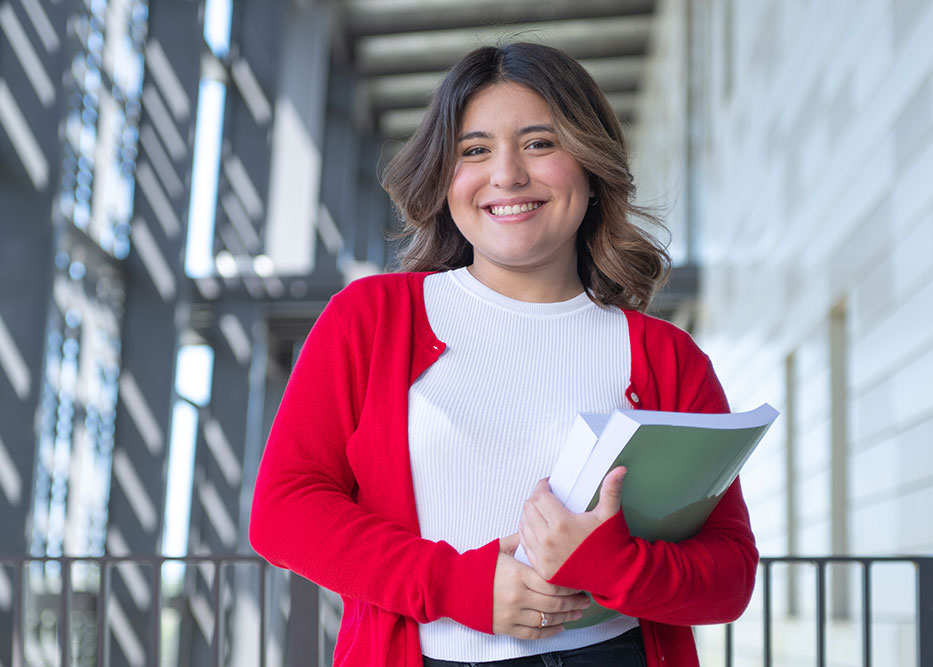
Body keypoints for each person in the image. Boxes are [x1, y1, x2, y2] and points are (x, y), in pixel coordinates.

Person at [249, 42, 758, 667]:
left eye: (541, 143)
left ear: (591, 166)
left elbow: (729, 576)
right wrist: (459, 586)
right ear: (445, 177)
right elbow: (284, 511)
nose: (507, 174)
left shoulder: (666, 357)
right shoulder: (373, 318)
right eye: (474, 149)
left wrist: (615, 563)